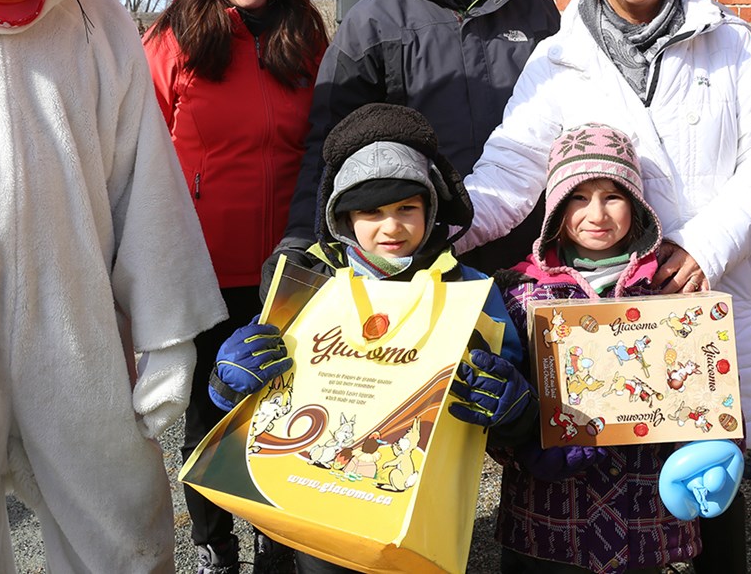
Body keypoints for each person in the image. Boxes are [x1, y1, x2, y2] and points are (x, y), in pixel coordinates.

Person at [461, 0, 751, 574]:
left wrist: (705, 244)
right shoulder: (558, 59)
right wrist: (426, 233)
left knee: (707, 502)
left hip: (698, 302)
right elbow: (511, 169)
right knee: (597, 483)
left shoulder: (729, 44)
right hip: (598, 310)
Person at [210, 103, 533, 574]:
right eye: (371, 211)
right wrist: (227, 385)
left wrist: (515, 409)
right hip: (316, 505)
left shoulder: (468, 291)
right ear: (342, 218)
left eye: (407, 208)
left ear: (432, 208)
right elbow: (252, 402)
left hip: (421, 507)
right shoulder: (309, 285)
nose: (392, 226)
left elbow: (512, 407)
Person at [265, 0, 561, 287]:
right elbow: (330, 147)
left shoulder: (536, 12)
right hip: (422, 264)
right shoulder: (371, 23)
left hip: (535, 259)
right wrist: (302, 241)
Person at [143, 0, 328, 574]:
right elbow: (135, 150)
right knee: (211, 407)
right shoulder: (173, 38)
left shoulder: (307, 37)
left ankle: (278, 535)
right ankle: (213, 541)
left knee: (284, 399)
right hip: (200, 266)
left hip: (290, 267)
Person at [493, 123, 701, 572]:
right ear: (555, 208)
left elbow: (711, 384)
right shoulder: (520, 294)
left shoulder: (669, 291)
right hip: (548, 517)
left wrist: (720, 447)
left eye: (613, 195)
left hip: (645, 512)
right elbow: (496, 392)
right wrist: (522, 441)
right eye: (578, 197)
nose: (597, 214)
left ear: (637, 204)